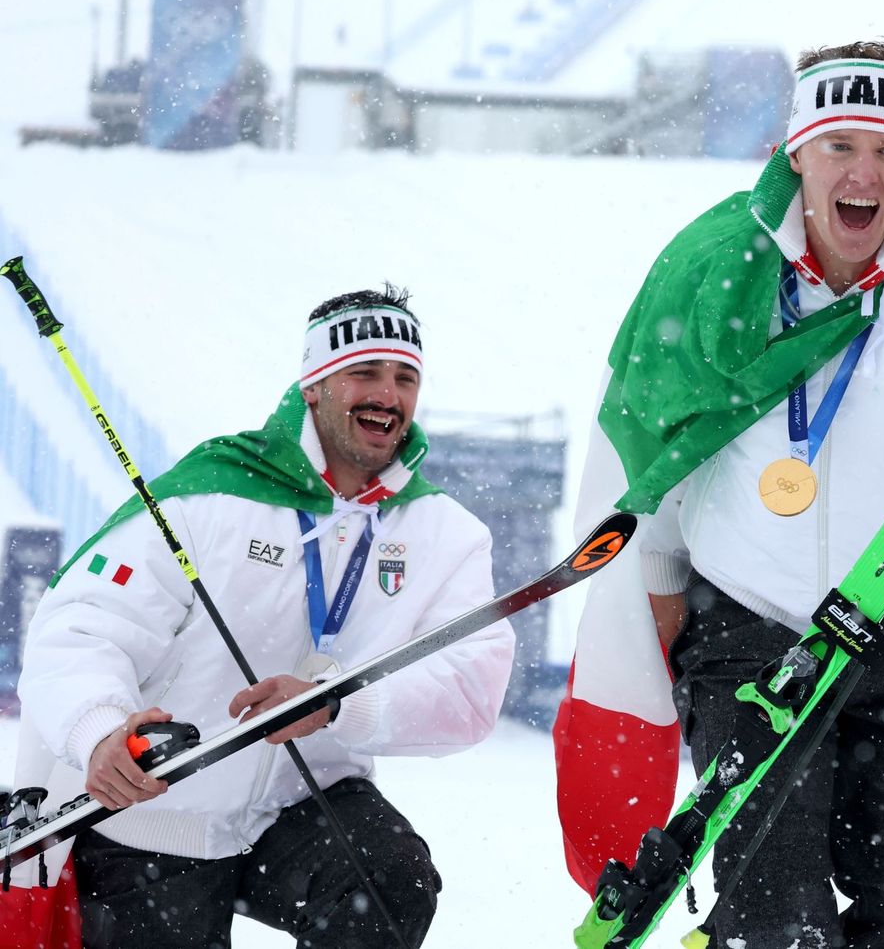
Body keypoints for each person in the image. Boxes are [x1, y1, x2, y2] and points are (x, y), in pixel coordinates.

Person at [575, 39, 884, 949]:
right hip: (753, 639)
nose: (864, 173)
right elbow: (657, 459)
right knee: (777, 927)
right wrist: (650, 607)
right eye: (841, 144)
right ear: (795, 152)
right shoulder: (718, 273)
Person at [17, 287, 515, 948]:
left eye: (405, 377)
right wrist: (99, 731)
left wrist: (340, 707)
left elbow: (469, 690)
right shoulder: (212, 492)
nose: (387, 395)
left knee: (389, 878)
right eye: (363, 372)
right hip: (156, 812)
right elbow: (81, 627)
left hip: (304, 803)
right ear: (313, 386)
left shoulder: (442, 533)